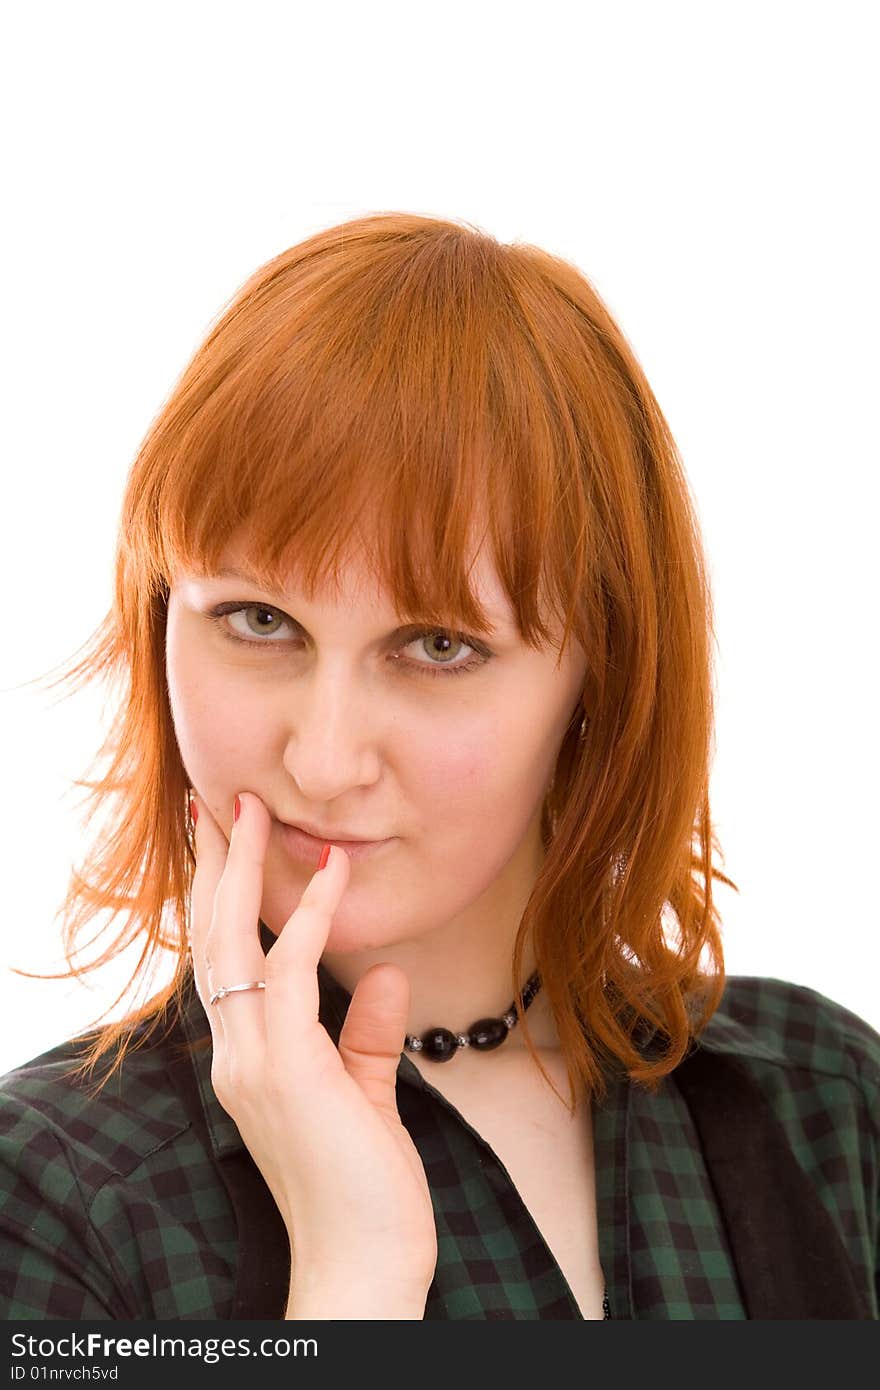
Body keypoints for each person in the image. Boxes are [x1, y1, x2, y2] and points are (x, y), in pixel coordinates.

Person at [0, 212, 877, 1322]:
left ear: (596, 675)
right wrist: (352, 1279)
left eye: (437, 646)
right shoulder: (57, 1195)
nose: (322, 759)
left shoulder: (826, 1103)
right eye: (258, 619)